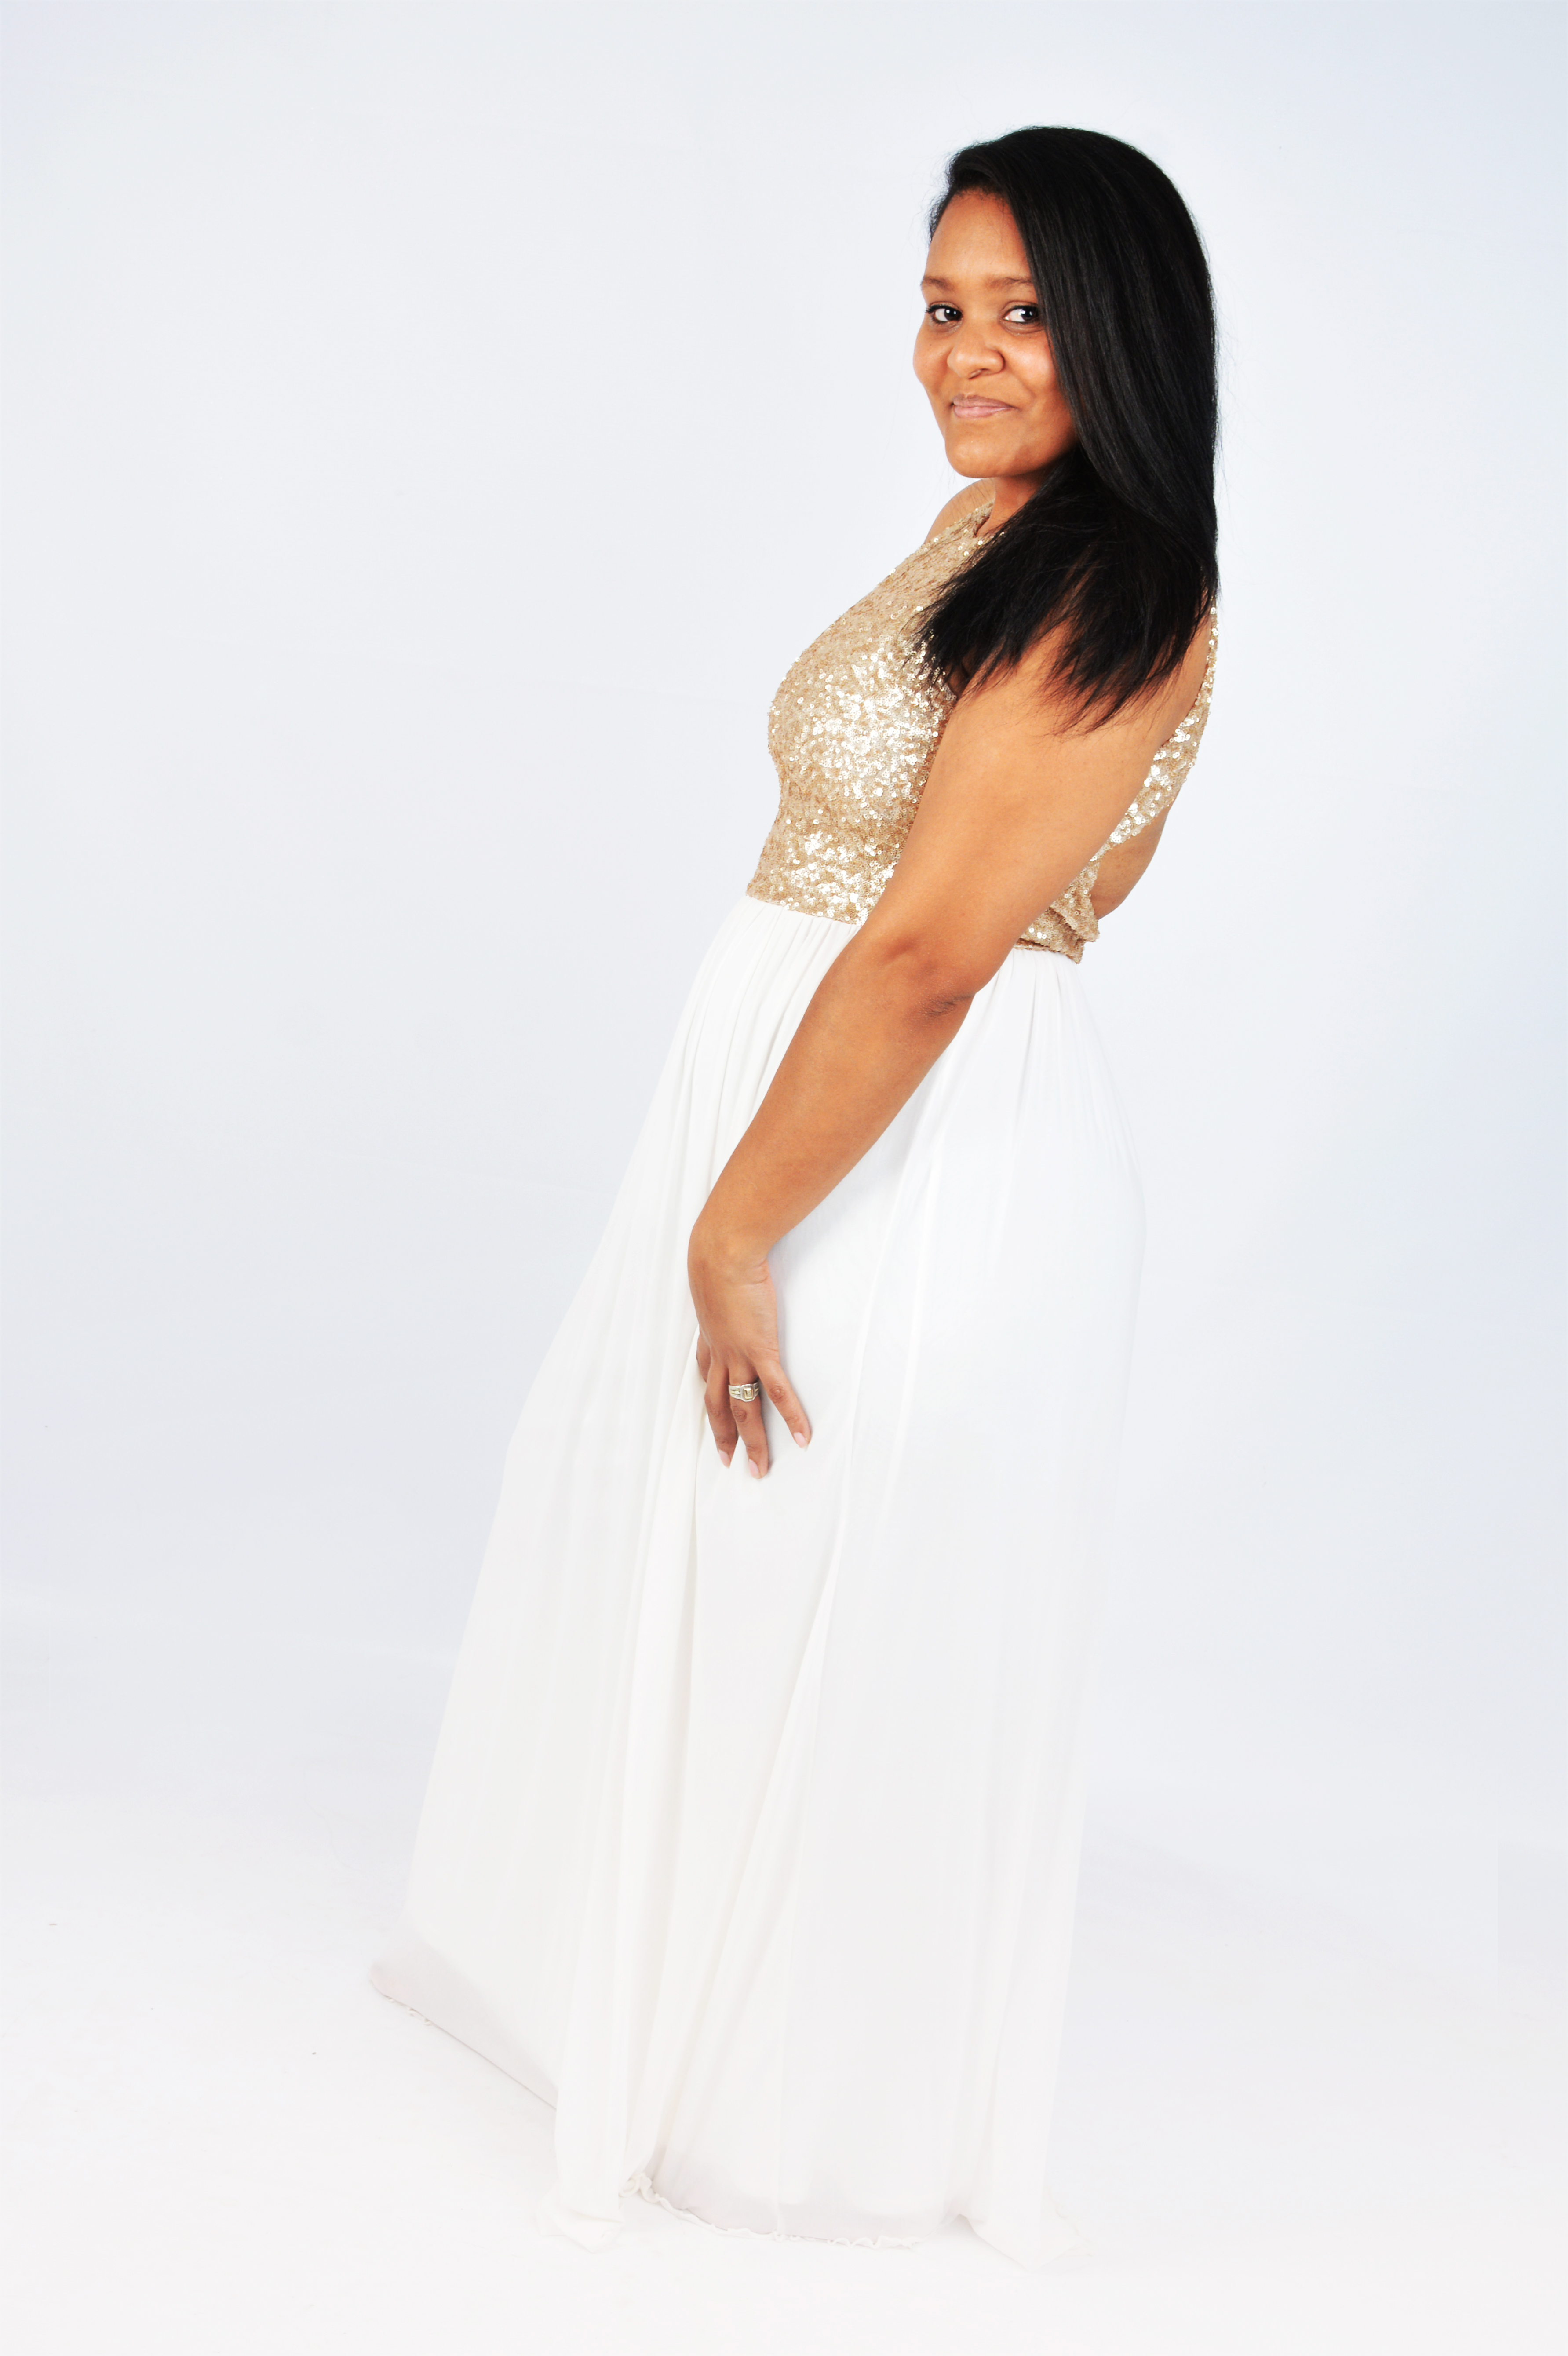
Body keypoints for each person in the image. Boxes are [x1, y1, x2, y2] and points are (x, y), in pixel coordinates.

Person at [373, 124, 1218, 2269]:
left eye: (1024, 312)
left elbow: (931, 948)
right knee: (727, 1566)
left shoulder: (1118, 582)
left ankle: (808, 2121)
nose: (967, 351)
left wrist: (739, 1222)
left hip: (918, 1150)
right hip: (810, 1110)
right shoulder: (984, 533)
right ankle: (665, 2045)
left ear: (1124, 332)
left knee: (832, 1592)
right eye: (943, 305)